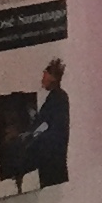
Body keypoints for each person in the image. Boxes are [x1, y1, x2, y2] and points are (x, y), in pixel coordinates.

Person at [29, 59, 70, 188]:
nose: (42, 78)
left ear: (52, 77)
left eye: (45, 75)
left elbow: (54, 127)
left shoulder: (59, 97)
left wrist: (35, 137)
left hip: (53, 158)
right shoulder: (55, 97)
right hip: (50, 157)